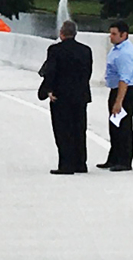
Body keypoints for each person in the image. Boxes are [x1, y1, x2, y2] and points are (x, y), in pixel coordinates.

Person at [37, 20, 93, 175]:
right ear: (75, 33)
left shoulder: (55, 50)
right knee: (79, 129)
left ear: (61, 33)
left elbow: (51, 72)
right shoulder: (86, 50)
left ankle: (66, 164)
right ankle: (80, 163)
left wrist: (47, 90)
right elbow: (87, 72)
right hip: (80, 95)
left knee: (63, 130)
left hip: (61, 96)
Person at [99, 20, 133, 172]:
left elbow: (125, 79)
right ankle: (114, 157)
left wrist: (118, 102)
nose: (111, 37)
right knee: (114, 126)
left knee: (124, 126)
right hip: (116, 89)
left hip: (126, 91)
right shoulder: (117, 49)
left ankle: (125, 160)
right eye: (111, 33)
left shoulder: (125, 53)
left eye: (114, 34)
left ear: (124, 35)